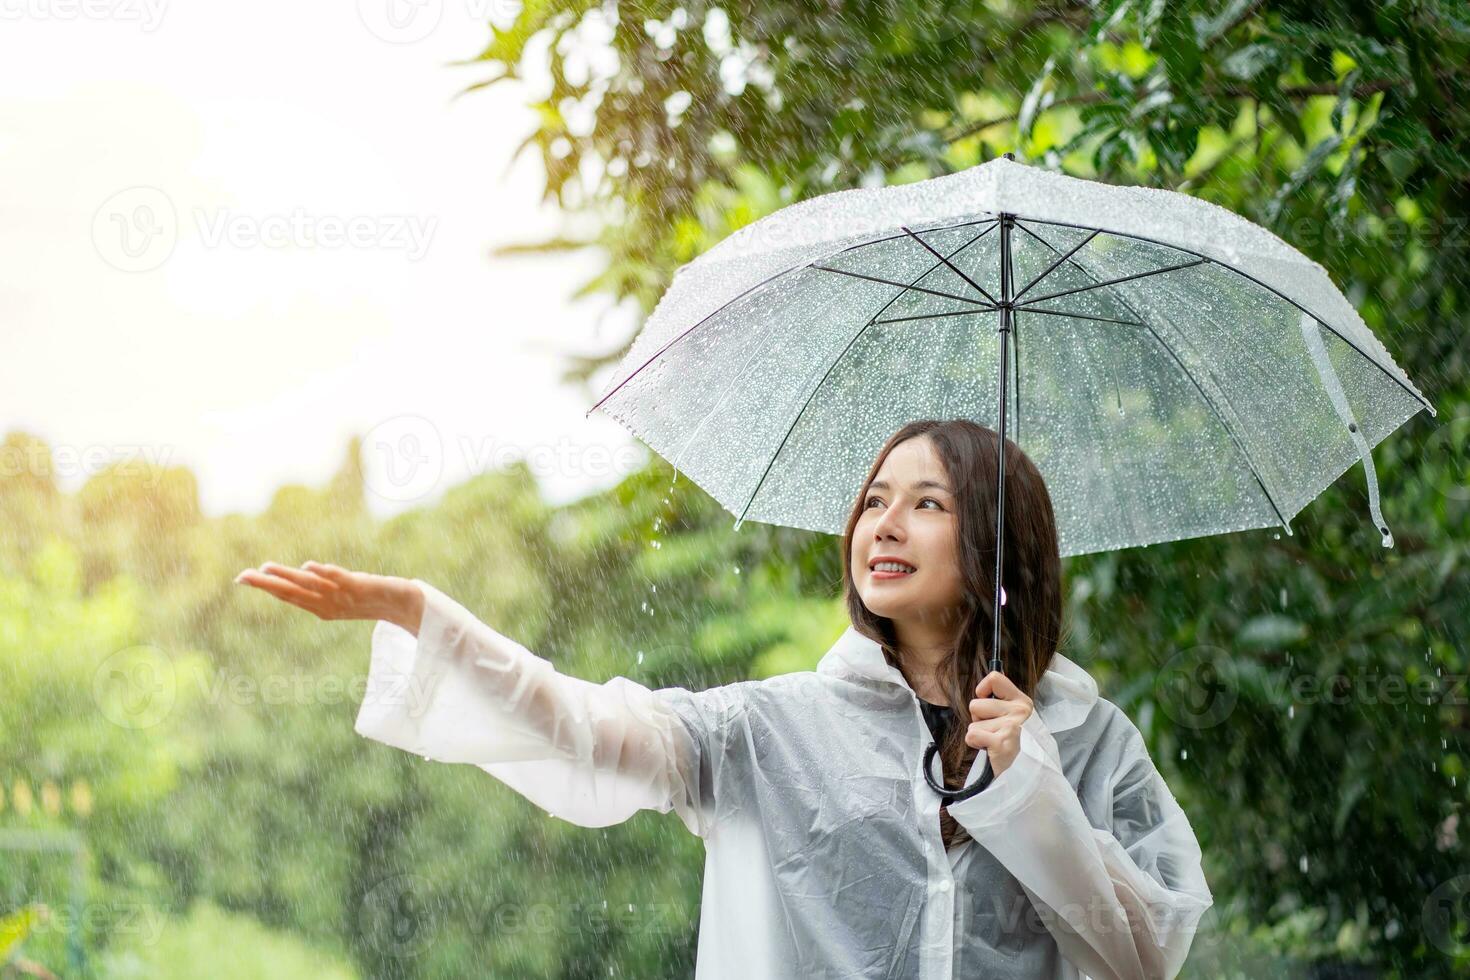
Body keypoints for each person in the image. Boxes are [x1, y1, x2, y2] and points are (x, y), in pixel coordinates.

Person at [235, 418, 1214, 979]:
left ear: (1002, 541)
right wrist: (427, 616)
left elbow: (1142, 960)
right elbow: (585, 729)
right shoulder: (771, 726)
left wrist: (1033, 794)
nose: (884, 520)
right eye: (873, 497)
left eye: (928, 500)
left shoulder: (1087, 742)